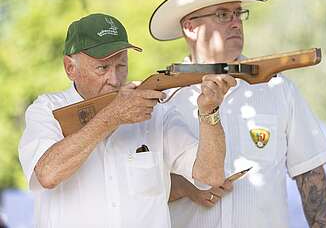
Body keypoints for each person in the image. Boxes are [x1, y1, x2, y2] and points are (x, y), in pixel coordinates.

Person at [149, 0, 326, 228]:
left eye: (238, 13)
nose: (236, 22)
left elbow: (310, 174)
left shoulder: (278, 89)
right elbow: (133, 191)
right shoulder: (161, 100)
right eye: (223, 14)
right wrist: (185, 187)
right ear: (189, 27)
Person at [18, 13, 236, 227]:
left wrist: (209, 111)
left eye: (121, 66)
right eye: (102, 68)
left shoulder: (157, 112)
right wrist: (113, 116)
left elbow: (211, 175)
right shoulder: (47, 109)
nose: (114, 79)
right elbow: (48, 174)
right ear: (70, 68)